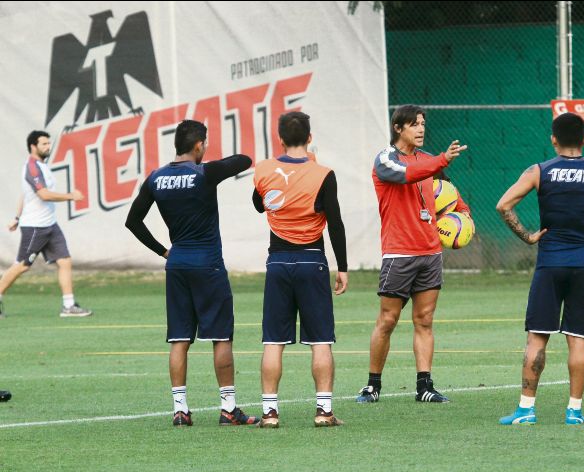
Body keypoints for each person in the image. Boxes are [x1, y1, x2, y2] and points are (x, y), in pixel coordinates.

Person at [496, 112, 584, 425]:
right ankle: (574, 411)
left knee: (537, 338)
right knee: (578, 338)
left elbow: (503, 205)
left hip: (550, 262)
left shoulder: (539, 171)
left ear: (553, 140)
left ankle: (526, 410)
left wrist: (528, 236)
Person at [125, 119, 258, 427]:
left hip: (177, 264)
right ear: (198, 145)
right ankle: (228, 409)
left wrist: (163, 251)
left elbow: (133, 221)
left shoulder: (156, 178)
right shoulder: (205, 173)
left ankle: (180, 410)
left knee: (179, 338)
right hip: (208, 264)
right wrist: (211, 165)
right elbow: (244, 160)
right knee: (221, 336)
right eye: (204, 144)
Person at [356, 104, 470, 404]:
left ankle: (424, 387)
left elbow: (448, 192)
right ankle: (372, 385)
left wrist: (463, 214)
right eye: (414, 124)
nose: (421, 129)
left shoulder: (429, 160)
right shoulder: (385, 159)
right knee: (388, 320)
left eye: (422, 124)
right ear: (398, 128)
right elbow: (407, 174)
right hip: (399, 253)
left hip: (430, 252)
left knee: (425, 320)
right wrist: (441, 160)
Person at [252, 111, 348, 428]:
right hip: (312, 261)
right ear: (309, 138)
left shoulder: (264, 169)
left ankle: (269, 413)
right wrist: (343, 267)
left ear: (280, 138)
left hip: (278, 262)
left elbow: (259, 204)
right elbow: (335, 223)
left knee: (273, 342)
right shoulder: (323, 174)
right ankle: (323, 411)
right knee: (320, 340)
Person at [0, 130, 92, 319]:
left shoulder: (42, 166)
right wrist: (71, 196)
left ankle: (68, 306)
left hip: (50, 224)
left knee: (64, 260)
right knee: (22, 265)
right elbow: (43, 195)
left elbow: (25, 195)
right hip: (35, 226)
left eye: (49, 143)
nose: (48, 146)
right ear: (33, 146)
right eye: (44, 144)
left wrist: (16, 217)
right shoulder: (32, 167)